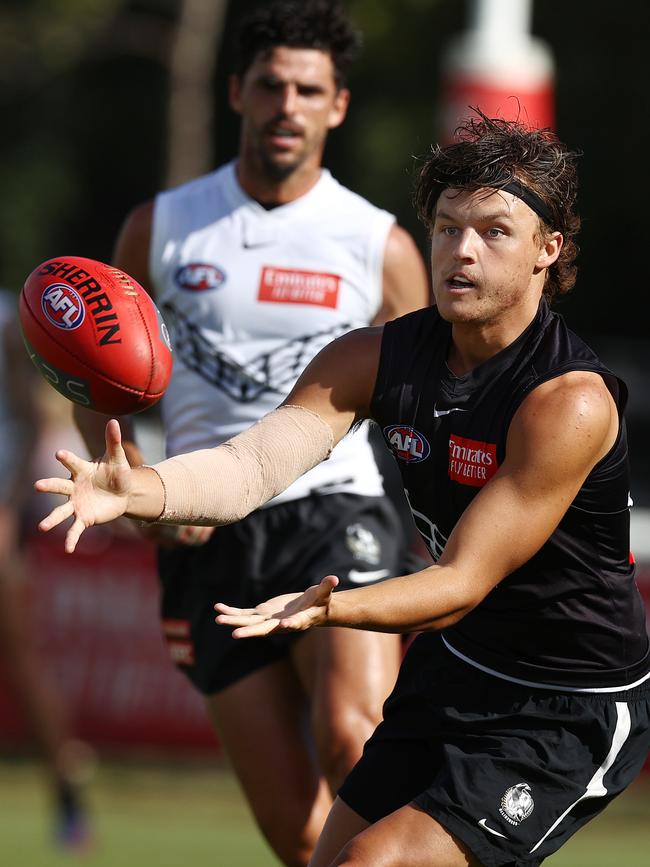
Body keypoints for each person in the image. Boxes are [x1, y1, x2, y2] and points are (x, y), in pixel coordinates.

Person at [38, 110, 650, 867]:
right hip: (457, 670)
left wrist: (330, 608)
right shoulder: (375, 356)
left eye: (493, 231)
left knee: (374, 861)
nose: (461, 251)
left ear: (546, 251)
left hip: (564, 705)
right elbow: (249, 469)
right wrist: (143, 489)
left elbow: (459, 583)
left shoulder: (568, 402)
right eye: (447, 227)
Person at [71, 2, 429, 864]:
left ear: (338, 105)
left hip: (336, 506)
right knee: (296, 831)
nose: (288, 105)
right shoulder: (159, 227)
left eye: (309, 89)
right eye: (271, 85)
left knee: (354, 739)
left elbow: (432, 403)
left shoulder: (378, 244)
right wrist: (140, 490)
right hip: (204, 531)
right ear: (237, 91)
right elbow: (93, 377)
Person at [0, 290, 91, 850]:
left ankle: (66, 792)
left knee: (22, 656)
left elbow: (39, 415)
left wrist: (9, 508)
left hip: (1, 502)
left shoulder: (10, 321)